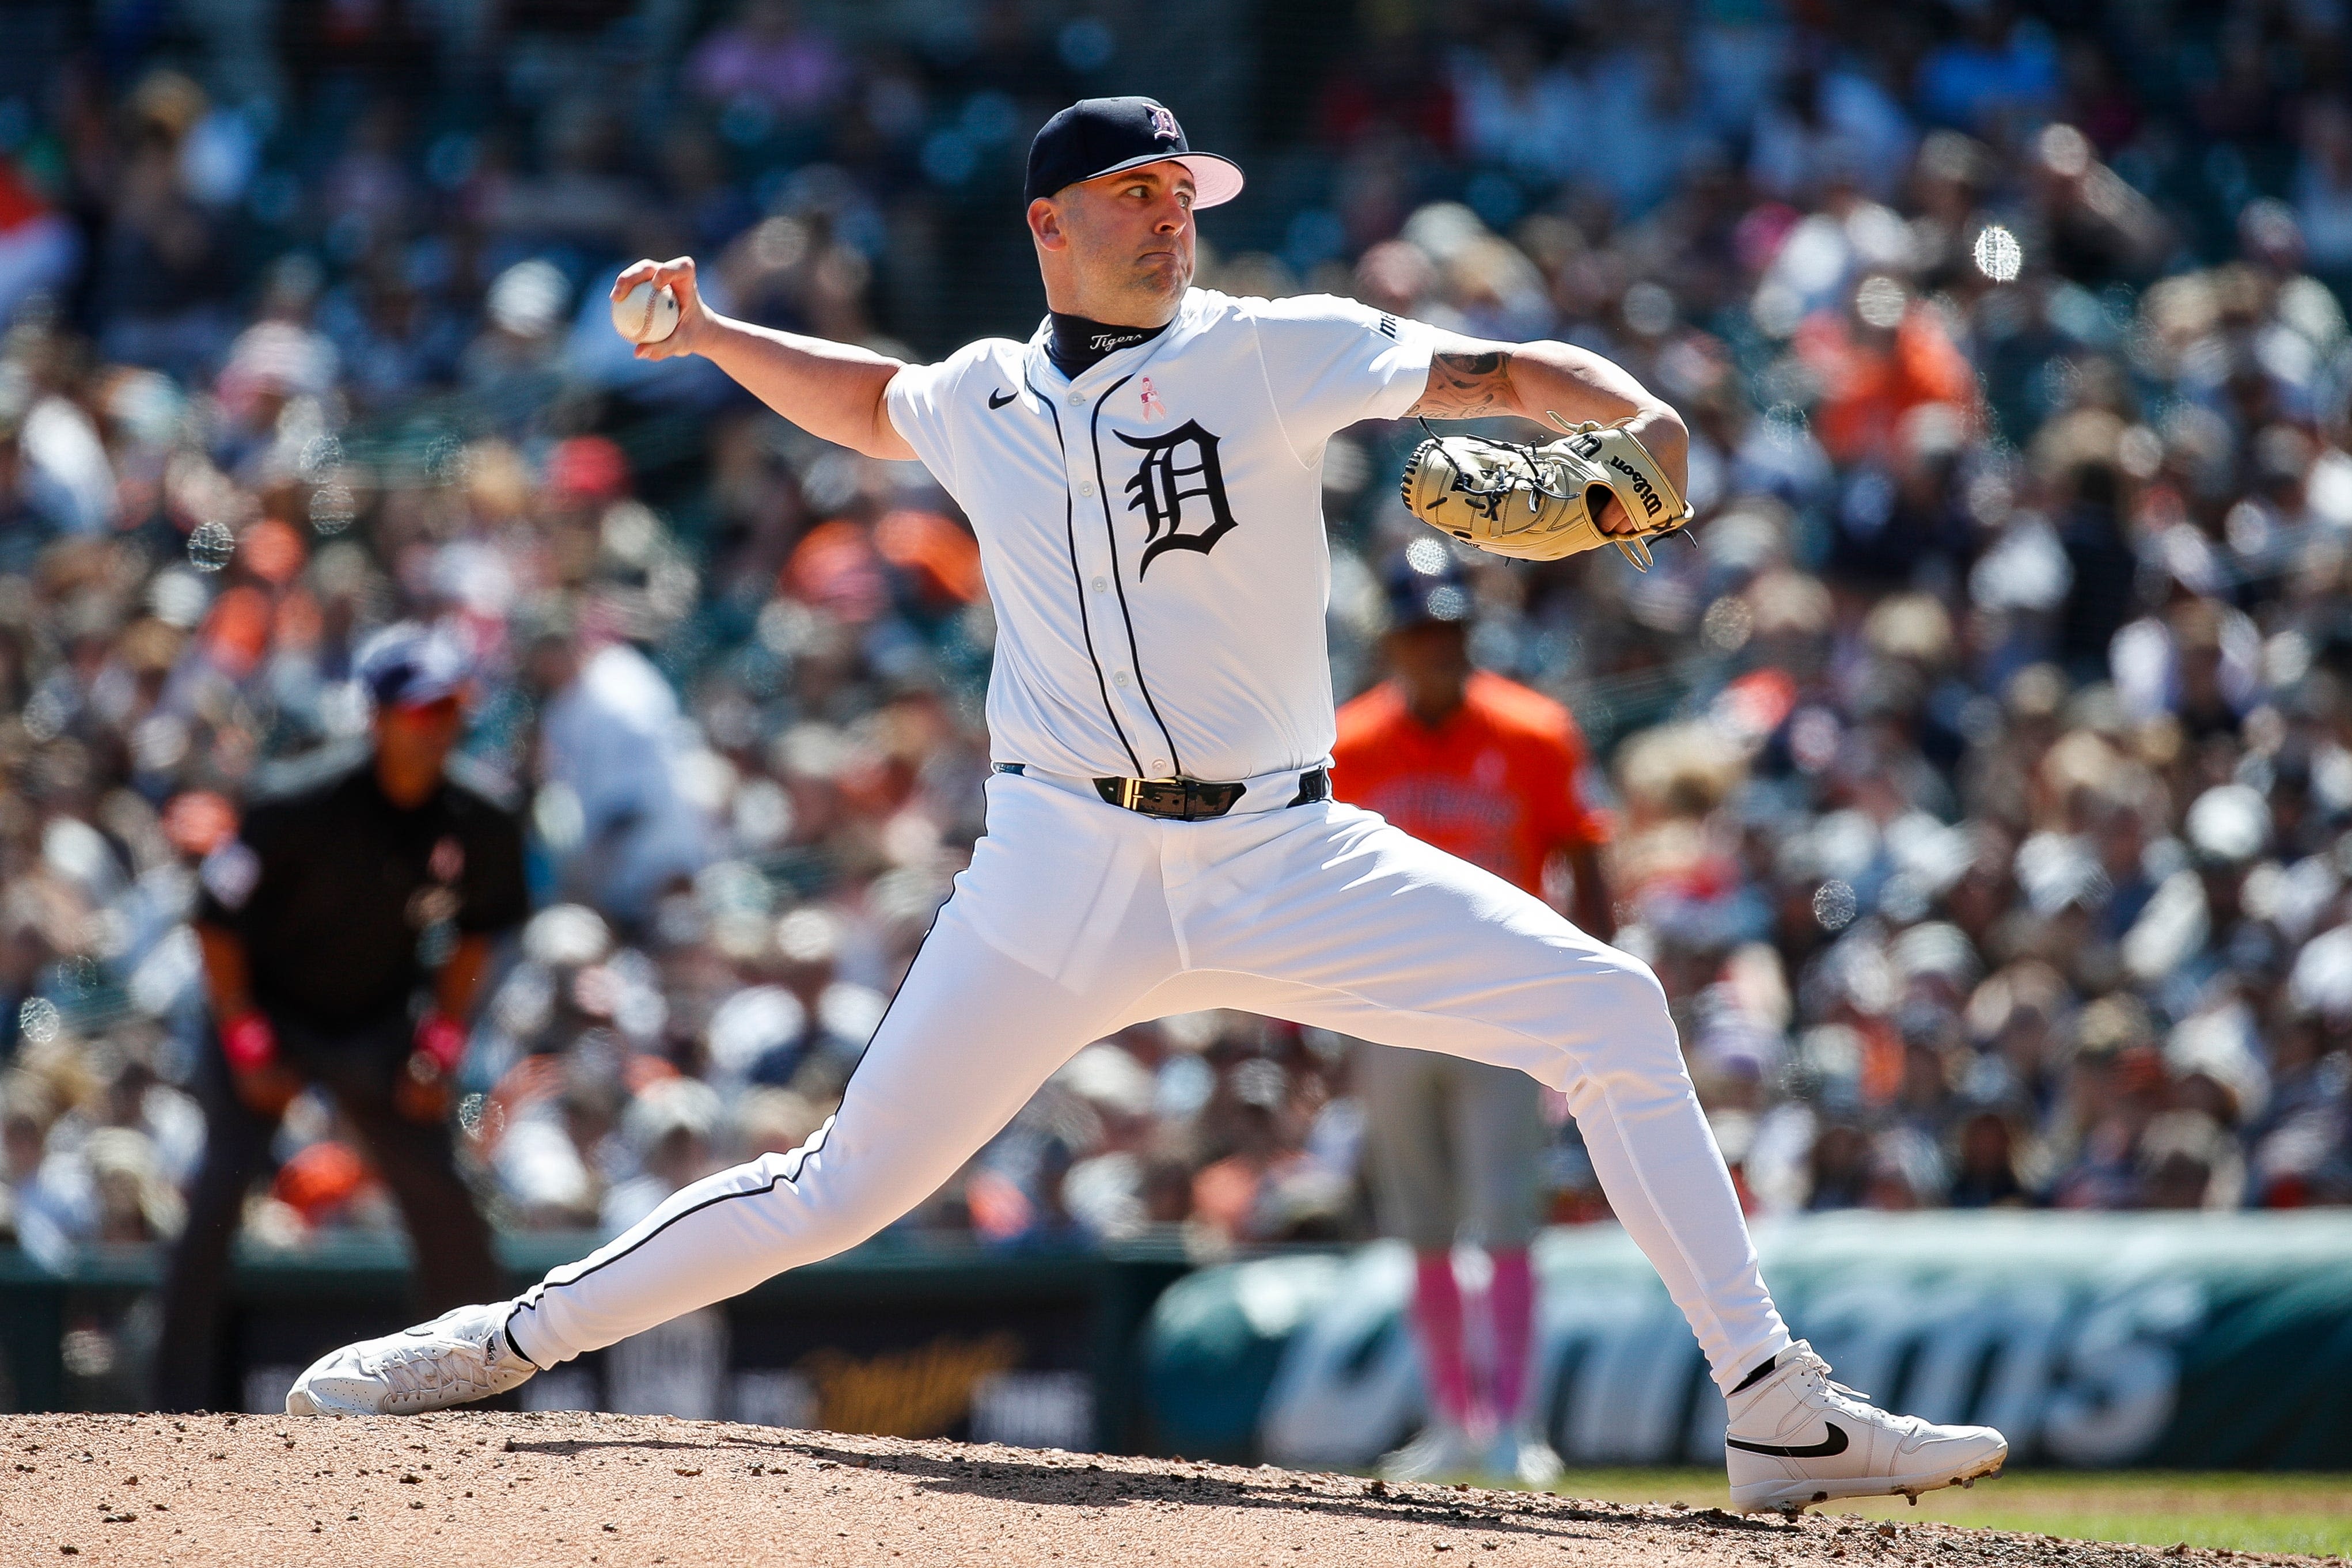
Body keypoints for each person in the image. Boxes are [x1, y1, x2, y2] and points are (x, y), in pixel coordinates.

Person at [285, 97, 2005, 1516]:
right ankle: (495, 1344)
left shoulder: (1271, 353)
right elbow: (864, 403)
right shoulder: (979, 396)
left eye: (1185, 189)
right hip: (1059, 863)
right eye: (1136, 190)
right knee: (835, 1187)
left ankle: (1773, 1404)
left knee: (1612, 1008)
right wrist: (716, 328)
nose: (1173, 213)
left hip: (1282, 847)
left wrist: (1636, 415)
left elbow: (1495, 372)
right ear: (1051, 223)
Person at [154, 623, 529, 1410]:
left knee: (445, 1199)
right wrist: (250, 1043)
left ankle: (476, 1399)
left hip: (377, 1020)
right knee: (221, 1186)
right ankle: (176, 1404)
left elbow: (478, 934)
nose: (439, 728)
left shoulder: (479, 813)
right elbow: (215, 924)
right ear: (379, 716)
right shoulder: (297, 800)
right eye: (421, 711)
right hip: (265, 1010)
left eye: (451, 710)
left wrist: (442, 1043)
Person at [1333, 548, 1614, 1486]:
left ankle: (1515, 1423)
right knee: (1421, 1225)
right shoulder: (1347, 743)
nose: (1436, 650)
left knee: (1504, 1222)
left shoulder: (1533, 732)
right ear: (1392, 643)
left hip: (1504, 1008)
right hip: (1390, 1012)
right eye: (1420, 633)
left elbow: (1586, 862)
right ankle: (1454, 1417)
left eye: (1448, 632)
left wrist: (1593, 987)